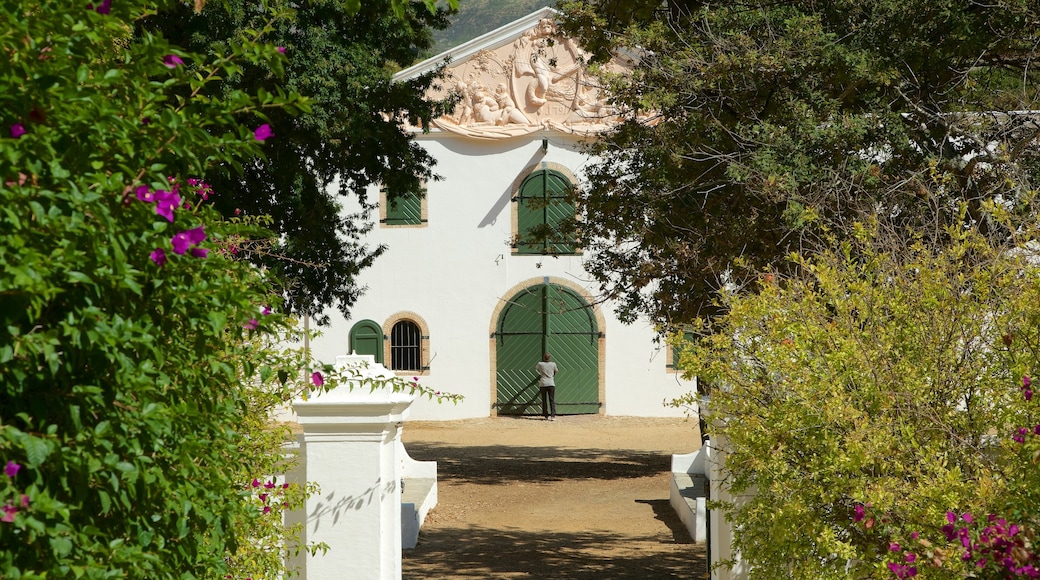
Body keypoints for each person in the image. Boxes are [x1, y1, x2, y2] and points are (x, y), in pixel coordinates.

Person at [535, 352, 558, 421]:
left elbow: (536, 368)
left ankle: (545, 415)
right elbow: (556, 371)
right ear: (549, 358)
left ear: (543, 358)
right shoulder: (553, 364)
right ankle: (553, 415)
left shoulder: (540, 364)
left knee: (544, 400)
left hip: (543, 383)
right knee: (551, 400)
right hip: (551, 383)